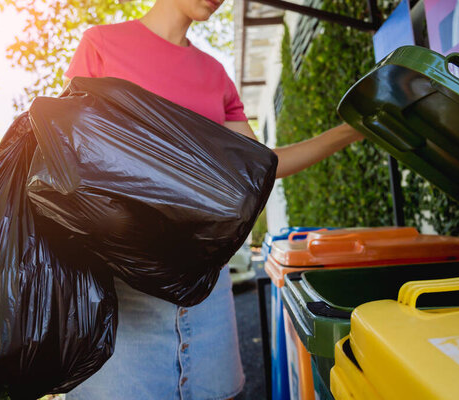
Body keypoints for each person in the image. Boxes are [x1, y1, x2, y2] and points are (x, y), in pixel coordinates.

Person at [64, 1, 363, 399]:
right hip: (126, 294)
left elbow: (261, 167)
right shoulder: (101, 45)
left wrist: (349, 131)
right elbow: (70, 157)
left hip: (208, 290)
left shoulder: (215, 74)